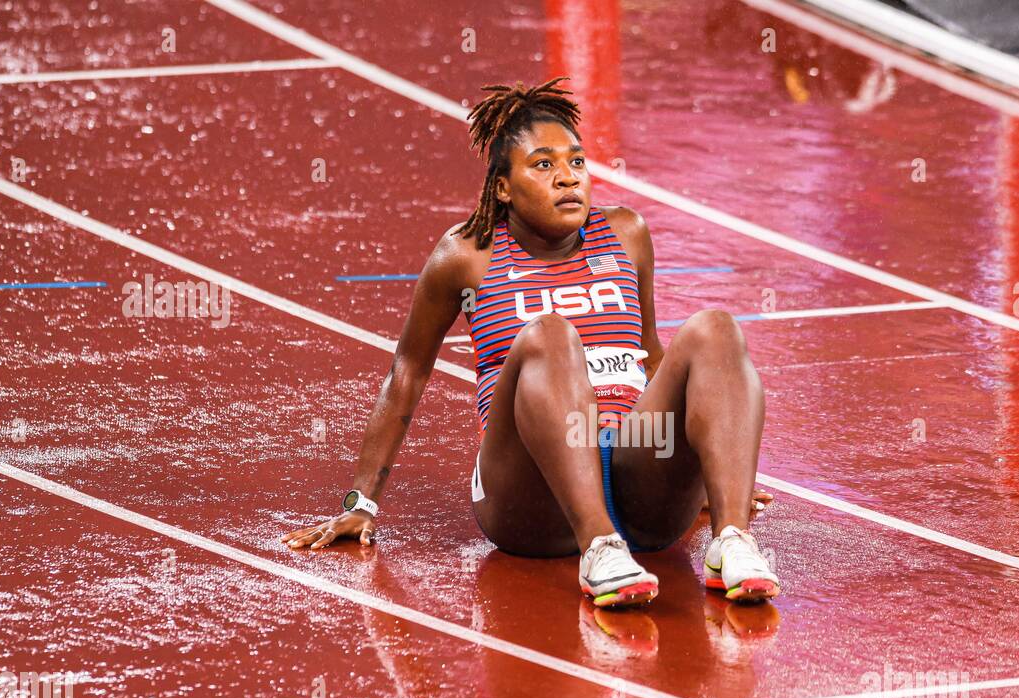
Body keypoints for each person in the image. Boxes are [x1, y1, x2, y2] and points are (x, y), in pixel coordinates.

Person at [282, 77, 780, 607]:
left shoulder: (627, 233)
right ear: (502, 187)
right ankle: (599, 549)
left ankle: (732, 542)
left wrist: (712, 465)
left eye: (576, 163)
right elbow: (407, 373)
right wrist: (362, 502)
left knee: (715, 328)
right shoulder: (465, 255)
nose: (567, 178)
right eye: (543, 165)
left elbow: (654, 355)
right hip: (529, 491)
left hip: (639, 472)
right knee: (549, 334)